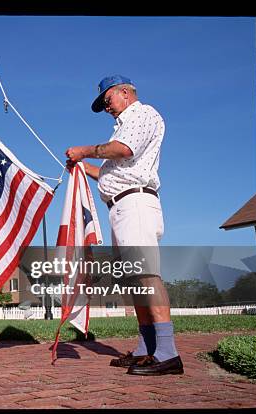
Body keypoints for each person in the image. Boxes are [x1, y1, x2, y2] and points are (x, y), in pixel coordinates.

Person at [65, 75, 183, 376]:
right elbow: (108, 174)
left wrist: (84, 150)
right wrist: (80, 167)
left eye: (107, 101)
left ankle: (168, 352)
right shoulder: (123, 127)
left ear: (125, 94)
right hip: (120, 205)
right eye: (104, 104)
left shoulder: (142, 114)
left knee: (146, 275)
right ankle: (147, 348)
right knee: (133, 282)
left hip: (135, 203)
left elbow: (123, 150)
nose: (107, 108)